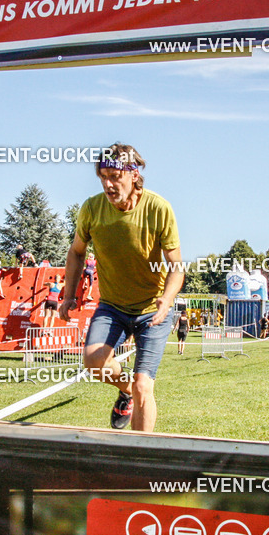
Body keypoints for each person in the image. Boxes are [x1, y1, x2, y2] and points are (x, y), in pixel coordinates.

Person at [59, 143, 183, 432]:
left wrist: (167, 299)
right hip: (113, 306)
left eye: (114, 176)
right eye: (103, 176)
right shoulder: (92, 209)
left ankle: (140, 464)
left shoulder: (158, 208)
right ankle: (124, 387)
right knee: (93, 361)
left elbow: (176, 265)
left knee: (144, 387)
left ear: (134, 174)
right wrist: (68, 295)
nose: (108, 184)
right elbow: (77, 252)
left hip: (152, 310)